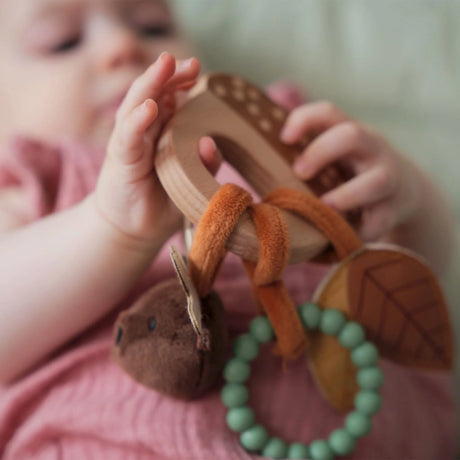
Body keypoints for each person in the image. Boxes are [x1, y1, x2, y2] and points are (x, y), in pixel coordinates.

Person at [0, 0, 456, 458]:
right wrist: (109, 227)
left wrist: (408, 198)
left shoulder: (284, 133)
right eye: (61, 43)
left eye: (152, 26)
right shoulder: (39, 180)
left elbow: (423, 266)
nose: (122, 45)